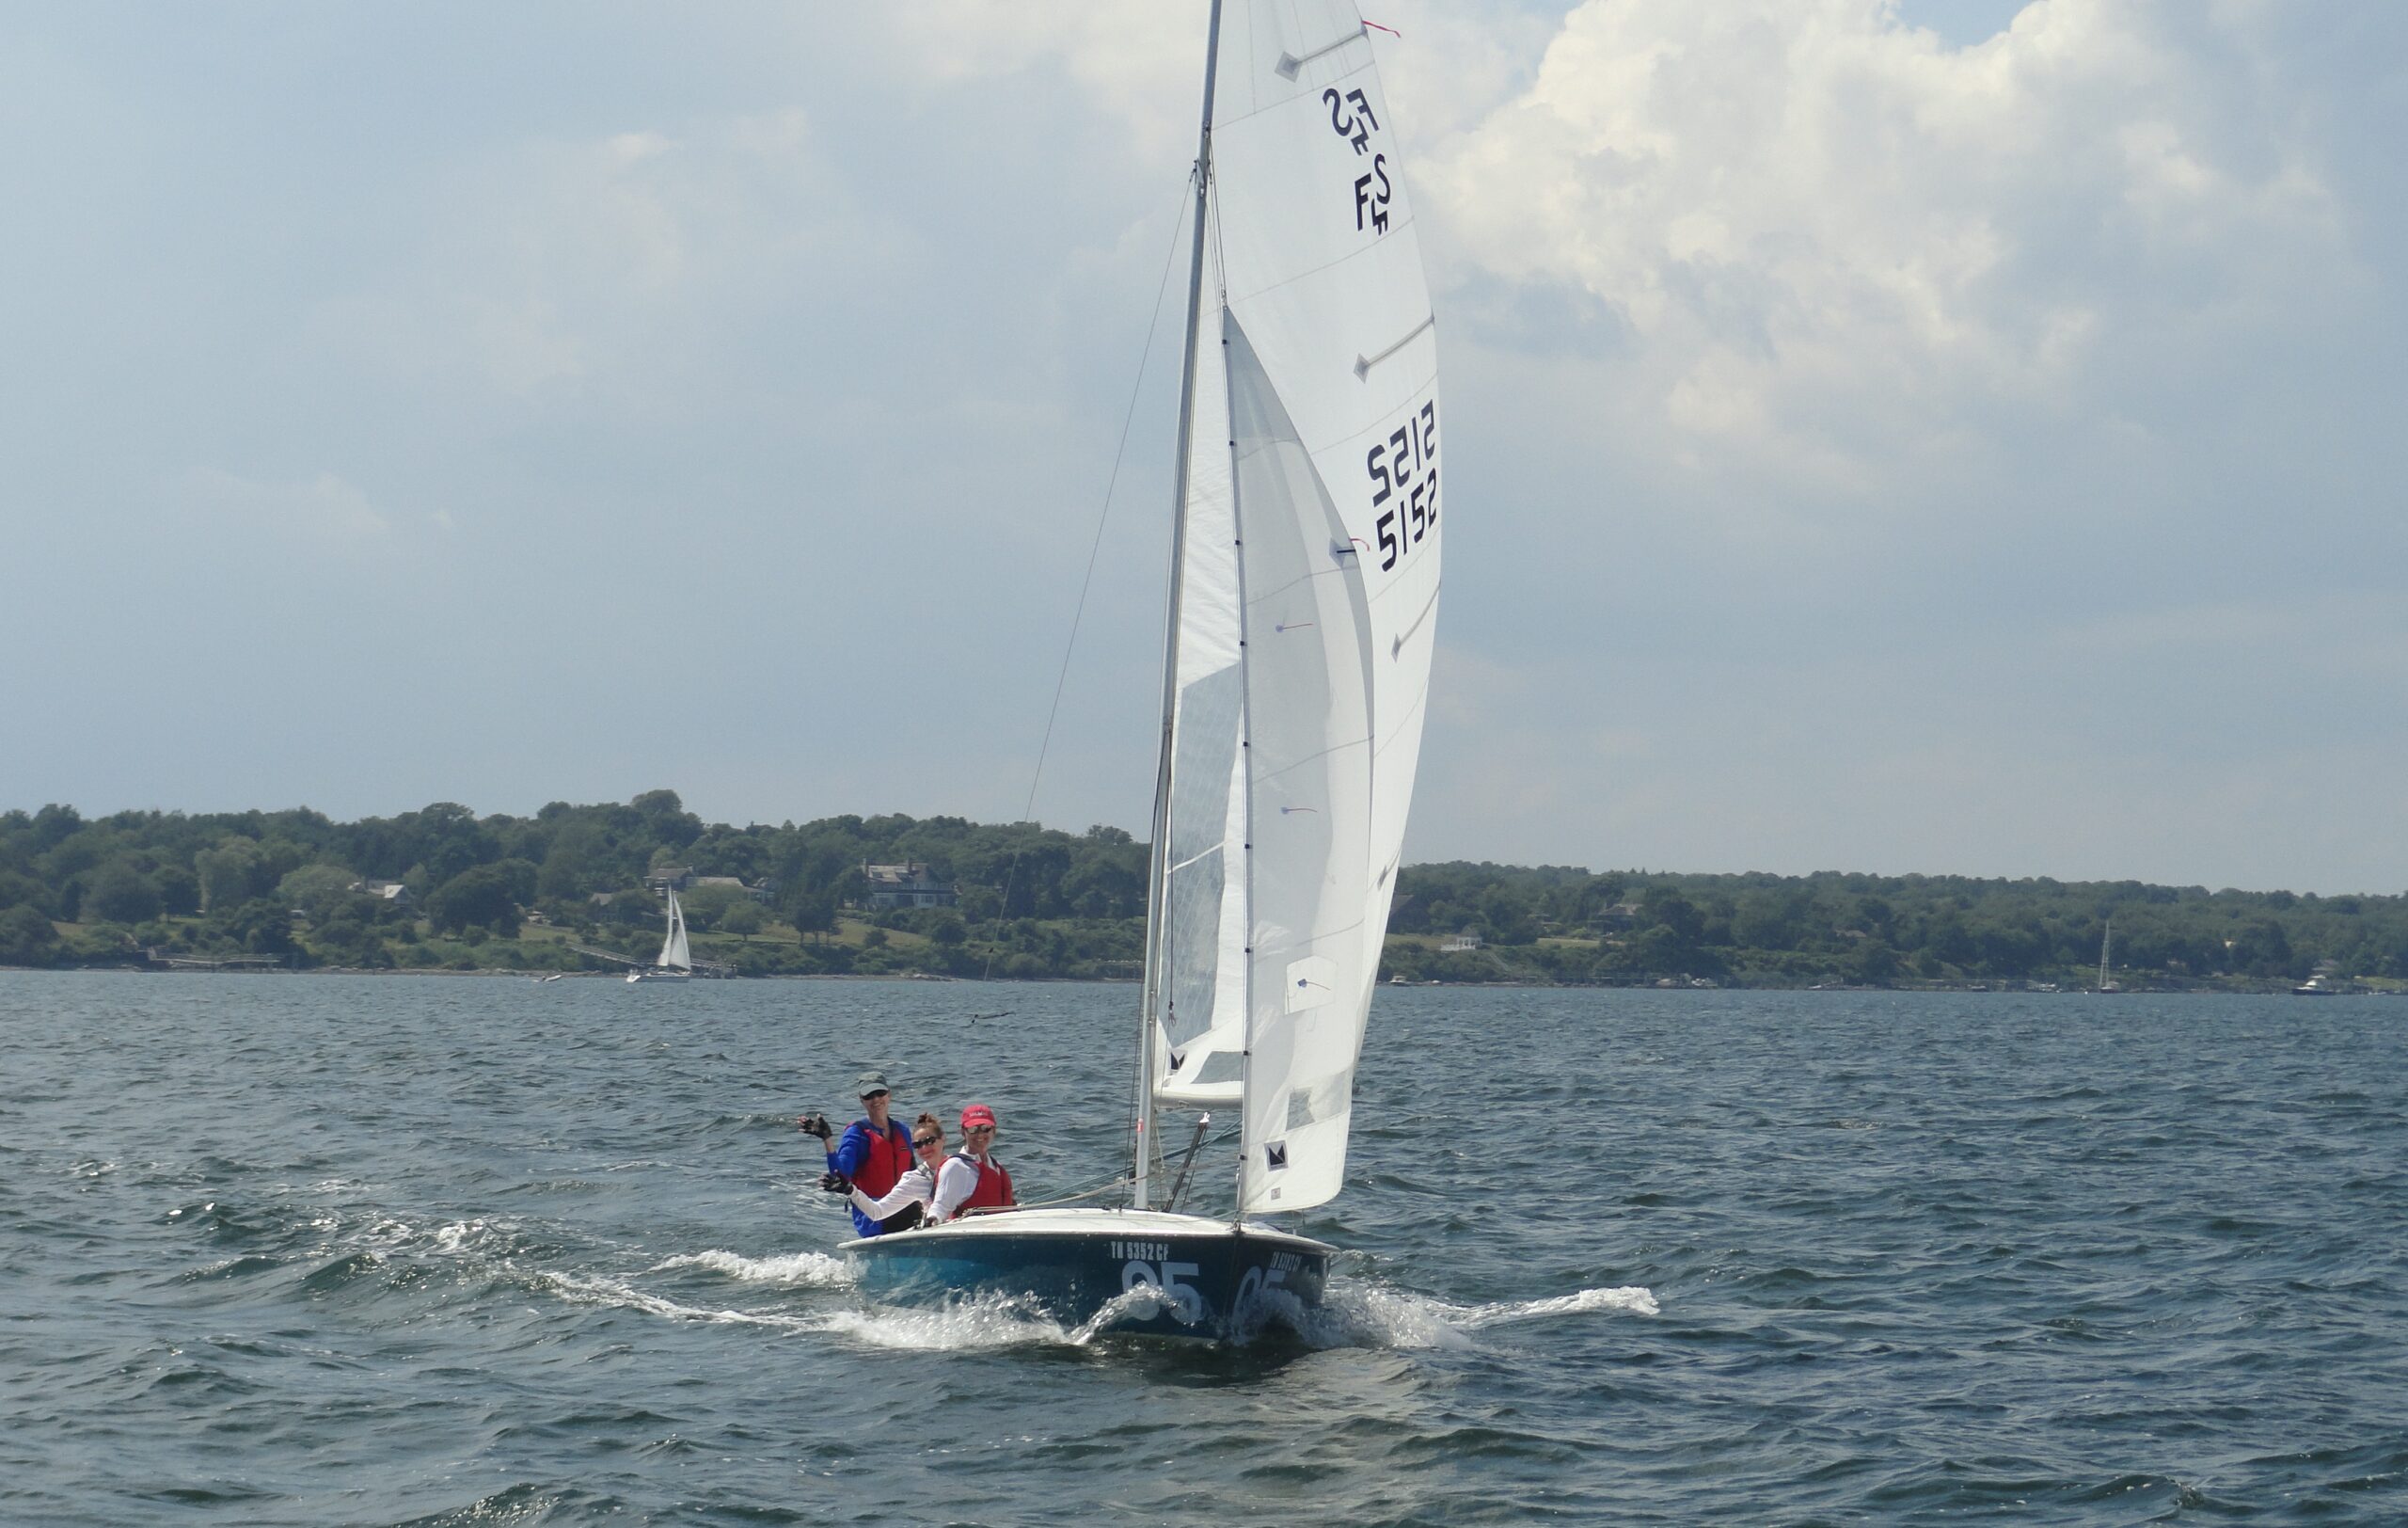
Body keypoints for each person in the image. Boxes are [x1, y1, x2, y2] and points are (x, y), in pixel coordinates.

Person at [804, 1070, 916, 1237]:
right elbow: (840, 1175)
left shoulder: (902, 1130)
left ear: (889, 1095)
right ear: (861, 1100)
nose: (876, 1099)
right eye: (869, 1096)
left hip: (904, 1209)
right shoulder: (857, 1133)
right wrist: (827, 1139)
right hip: (872, 1217)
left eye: (880, 1093)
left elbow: (915, 1175)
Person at [822, 1113, 946, 1234]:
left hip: (919, 1214)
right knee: (912, 1210)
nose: (924, 1148)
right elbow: (839, 1176)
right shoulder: (913, 1181)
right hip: (876, 1219)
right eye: (918, 1145)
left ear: (943, 1139)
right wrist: (827, 1140)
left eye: (930, 1141)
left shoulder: (957, 1165)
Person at [929, 1102, 1016, 1223]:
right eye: (973, 1129)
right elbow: (940, 1207)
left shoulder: (997, 1167)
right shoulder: (955, 1166)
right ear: (963, 1133)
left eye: (985, 1128)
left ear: (994, 1131)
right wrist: (932, 1220)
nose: (980, 1134)